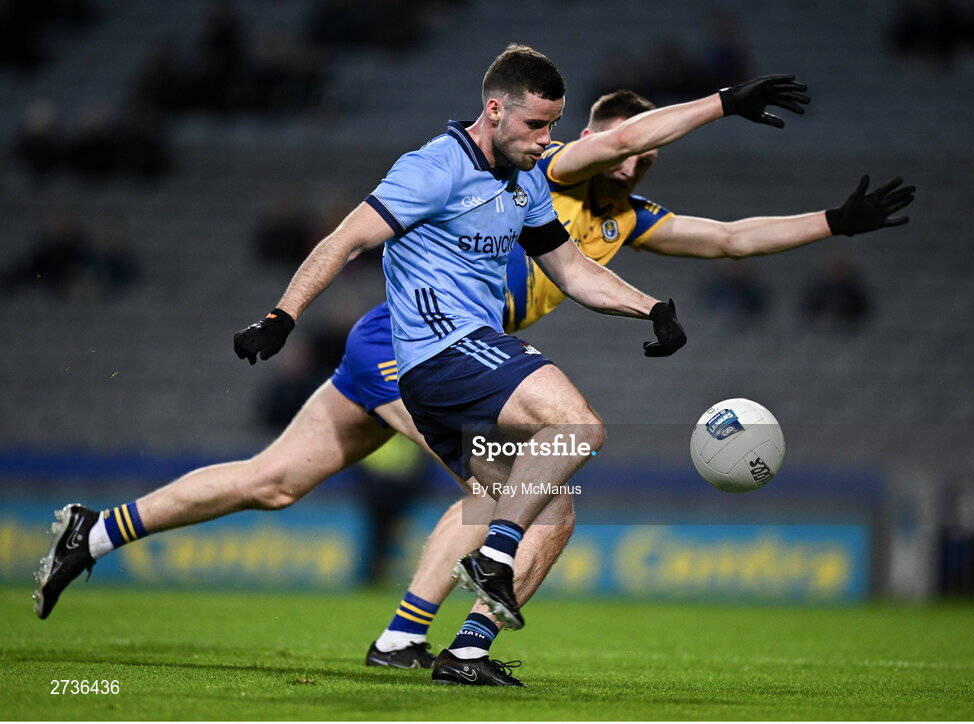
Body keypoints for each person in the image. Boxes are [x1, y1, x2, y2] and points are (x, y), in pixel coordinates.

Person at [34, 47, 908, 687]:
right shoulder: (550, 163)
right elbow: (357, 232)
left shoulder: (607, 213)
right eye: (622, 144)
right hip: (422, 346)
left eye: (644, 154)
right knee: (529, 493)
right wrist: (721, 100)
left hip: (458, 348)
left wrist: (834, 223)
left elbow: (726, 240)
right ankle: (429, 637)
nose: (633, 158)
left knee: (277, 482)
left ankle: (97, 530)